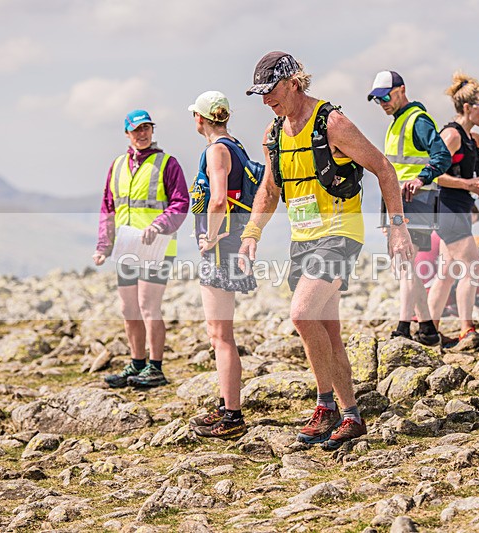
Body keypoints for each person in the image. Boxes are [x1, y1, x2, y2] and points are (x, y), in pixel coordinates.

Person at [241, 51, 414, 450]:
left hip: (340, 233)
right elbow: (270, 189)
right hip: (303, 238)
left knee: (301, 314)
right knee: (327, 329)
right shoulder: (273, 134)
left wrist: (397, 227)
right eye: (260, 93)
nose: (266, 99)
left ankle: (325, 406)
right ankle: (350, 414)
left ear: (293, 84)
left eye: (271, 90)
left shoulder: (332, 123)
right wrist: (252, 233)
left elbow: (383, 168)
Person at [94, 110, 189, 388]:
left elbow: (181, 203)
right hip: (126, 248)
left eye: (147, 128)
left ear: (152, 131)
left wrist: (159, 225)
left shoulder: (168, 164)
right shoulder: (117, 165)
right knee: (129, 309)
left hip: (157, 247)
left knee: (149, 307)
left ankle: (155, 368)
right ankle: (136, 363)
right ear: (127, 133)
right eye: (137, 129)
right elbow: (108, 208)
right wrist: (103, 246)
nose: (142, 133)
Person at [185, 91, 257, 440]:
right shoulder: (236, 146)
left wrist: (210, 238)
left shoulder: (216, 150)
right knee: (221, 334)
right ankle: (226, 404)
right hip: (234, 245)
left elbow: (216, 199)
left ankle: (232, 415)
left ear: (199, 119)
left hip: (220, 251)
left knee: (220, 335)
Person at [368, 70, 450, 345]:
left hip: (416, 202)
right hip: (399, 204)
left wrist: (421, 178)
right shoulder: (397, 122)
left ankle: (403, 327)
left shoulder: (418, 120)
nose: (383, 104)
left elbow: (442, 156)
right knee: (406, 266)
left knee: (405, 265)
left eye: (386, 97)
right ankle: (427, 329)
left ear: (402, 90)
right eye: (378, 100)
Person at [427, 71, 479, 344]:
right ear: (468, 108)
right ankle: (466, 329)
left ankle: (429, 331)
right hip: (448, 210)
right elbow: (434, 174)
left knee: (446, 275)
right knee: (472, 269)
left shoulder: (471, 136)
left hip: (458, 209)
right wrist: (468, 184)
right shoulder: (452, 136)